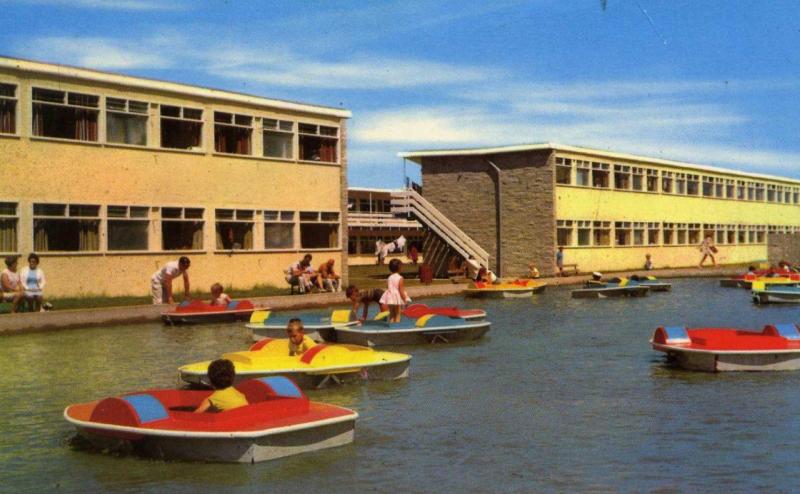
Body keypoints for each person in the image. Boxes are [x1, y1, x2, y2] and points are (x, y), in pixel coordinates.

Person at [379, 259, 411, 323]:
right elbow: (401, 290)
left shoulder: (389, 277)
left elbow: (388, 288)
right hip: (396, 298)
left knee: (392, 315)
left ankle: (391, 327)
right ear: (399, 267)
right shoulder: (400, 278)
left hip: (390, 298)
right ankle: (396, 327)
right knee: (398, 314)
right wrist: (405, 300)